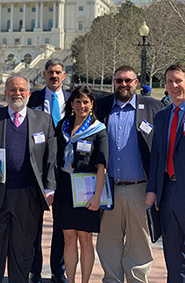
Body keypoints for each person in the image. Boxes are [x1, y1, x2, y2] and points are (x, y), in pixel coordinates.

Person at [0, 73, 57, 283]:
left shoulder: (43, 120)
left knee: (23, 252)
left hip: (28, 197)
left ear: (29, 94)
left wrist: (50, 188)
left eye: (21, 90)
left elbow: (52, 158)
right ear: (5, 93)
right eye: (12, 90)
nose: (17, 94)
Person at [96, 65, 163, 283]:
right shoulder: (102, 107)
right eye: (118, 81)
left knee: (139, 241)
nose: (123, 84)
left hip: (140, 189)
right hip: (109, 189)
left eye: (128, 81)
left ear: (136, 83)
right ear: (113, 82)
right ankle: (112, 279)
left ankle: (137, 280)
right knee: (108, 241)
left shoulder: (153, 108)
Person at [146, 64, 185, 283]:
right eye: (169, 82)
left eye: (178, 80)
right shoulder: (161, 116)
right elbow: (157, 157)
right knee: (173, 255)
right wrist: (152, 190)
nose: (174, 86)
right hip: (167, 194)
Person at [55, 85, 108, 283]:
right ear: (72, 104)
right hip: (64, 189)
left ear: (92, 104)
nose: (81, 106)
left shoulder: (98, 130)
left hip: (87, 191)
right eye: (77, 101)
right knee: (69, 238)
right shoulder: (63, 126)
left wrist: (97, 196)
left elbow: (102, 165)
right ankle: (71, 281)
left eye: (86, 102)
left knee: (85, 240)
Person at [28, 58, 69, 283]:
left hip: (65, 168)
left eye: (58, 72)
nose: (54, 76)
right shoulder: (31, 98)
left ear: (64, 76)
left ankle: (58, 270)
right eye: (50, 72)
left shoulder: (74, 99)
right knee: (34, 224)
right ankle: (35, 269)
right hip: (37, 168)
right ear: (44, 75)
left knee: (61, 224)